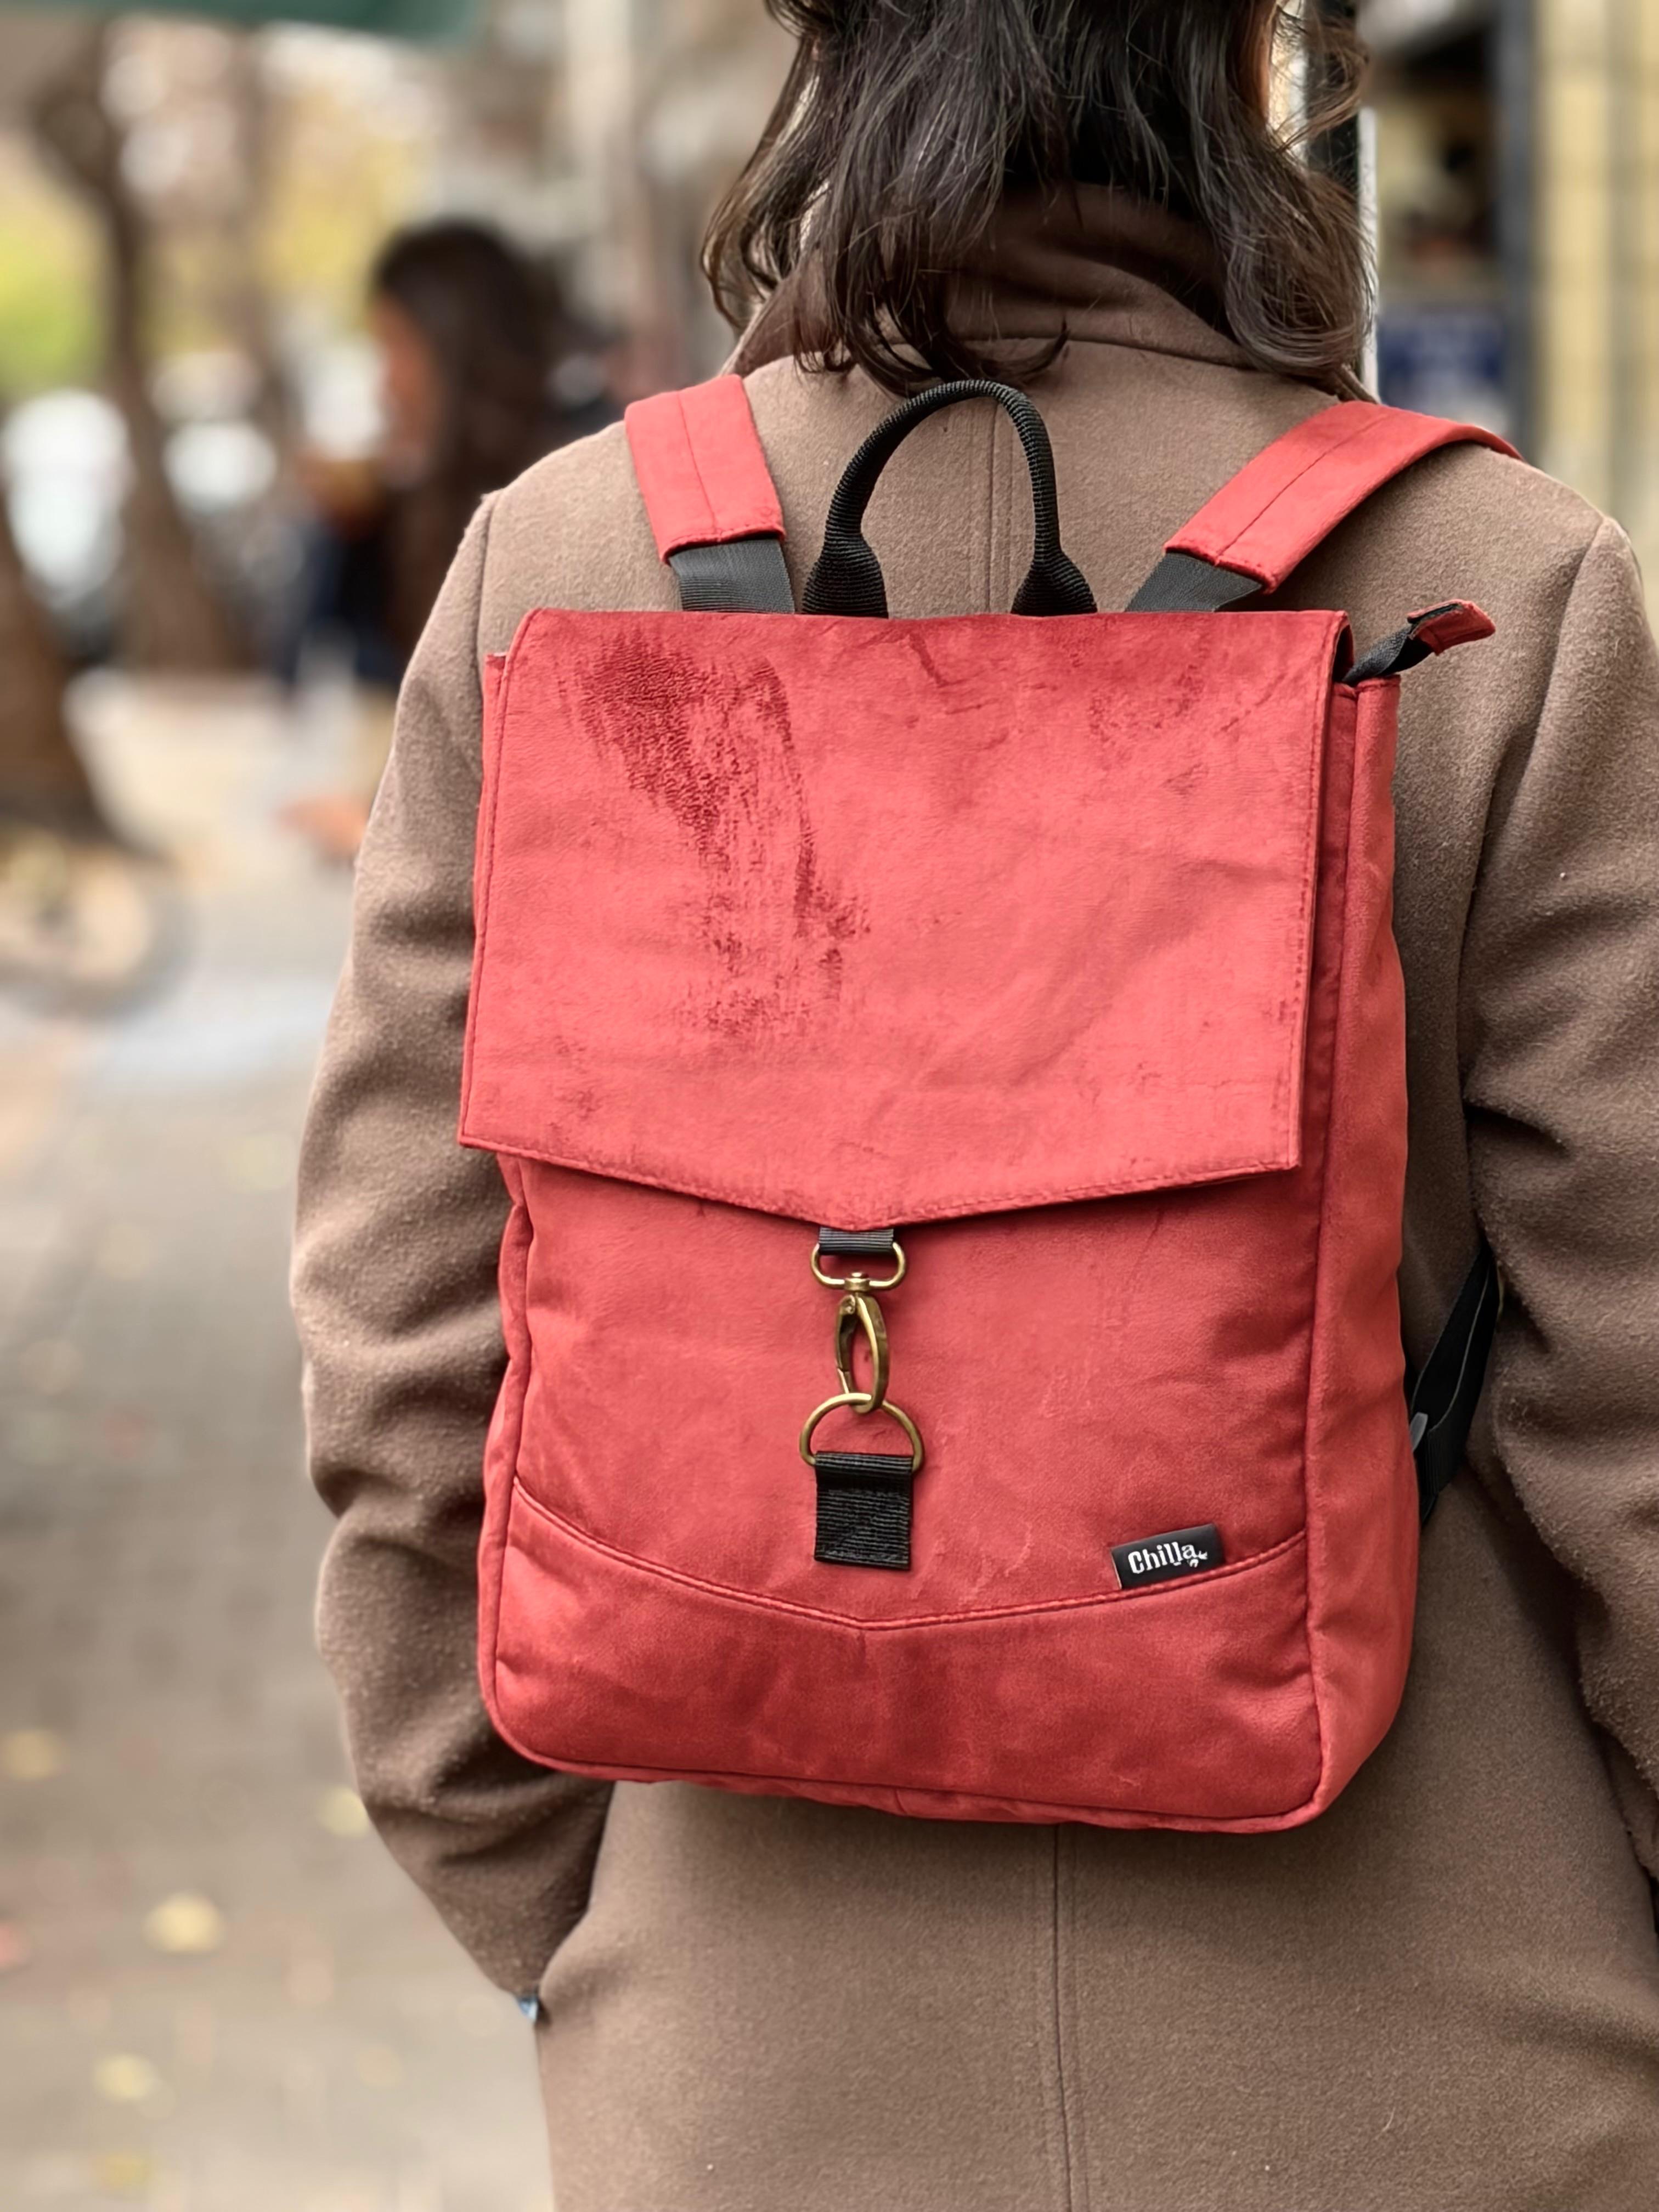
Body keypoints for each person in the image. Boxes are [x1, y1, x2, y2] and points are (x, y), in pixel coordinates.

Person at [292, 5, 1659, 2207]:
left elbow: (405, 1365)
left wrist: (568, 1916)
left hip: (742, 2062)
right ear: (1251, 38)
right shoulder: (1496, 594)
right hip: (1443, 2056)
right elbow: (1637, 1411)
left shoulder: (562, 572)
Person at [283, 219, 614, 858]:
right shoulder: (423, 502)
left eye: (394, 347)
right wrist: (346, 531)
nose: (384, 386)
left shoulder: (572, 497)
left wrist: (369, 839)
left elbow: (553, 795)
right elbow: (321, 657)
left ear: (455, 344)